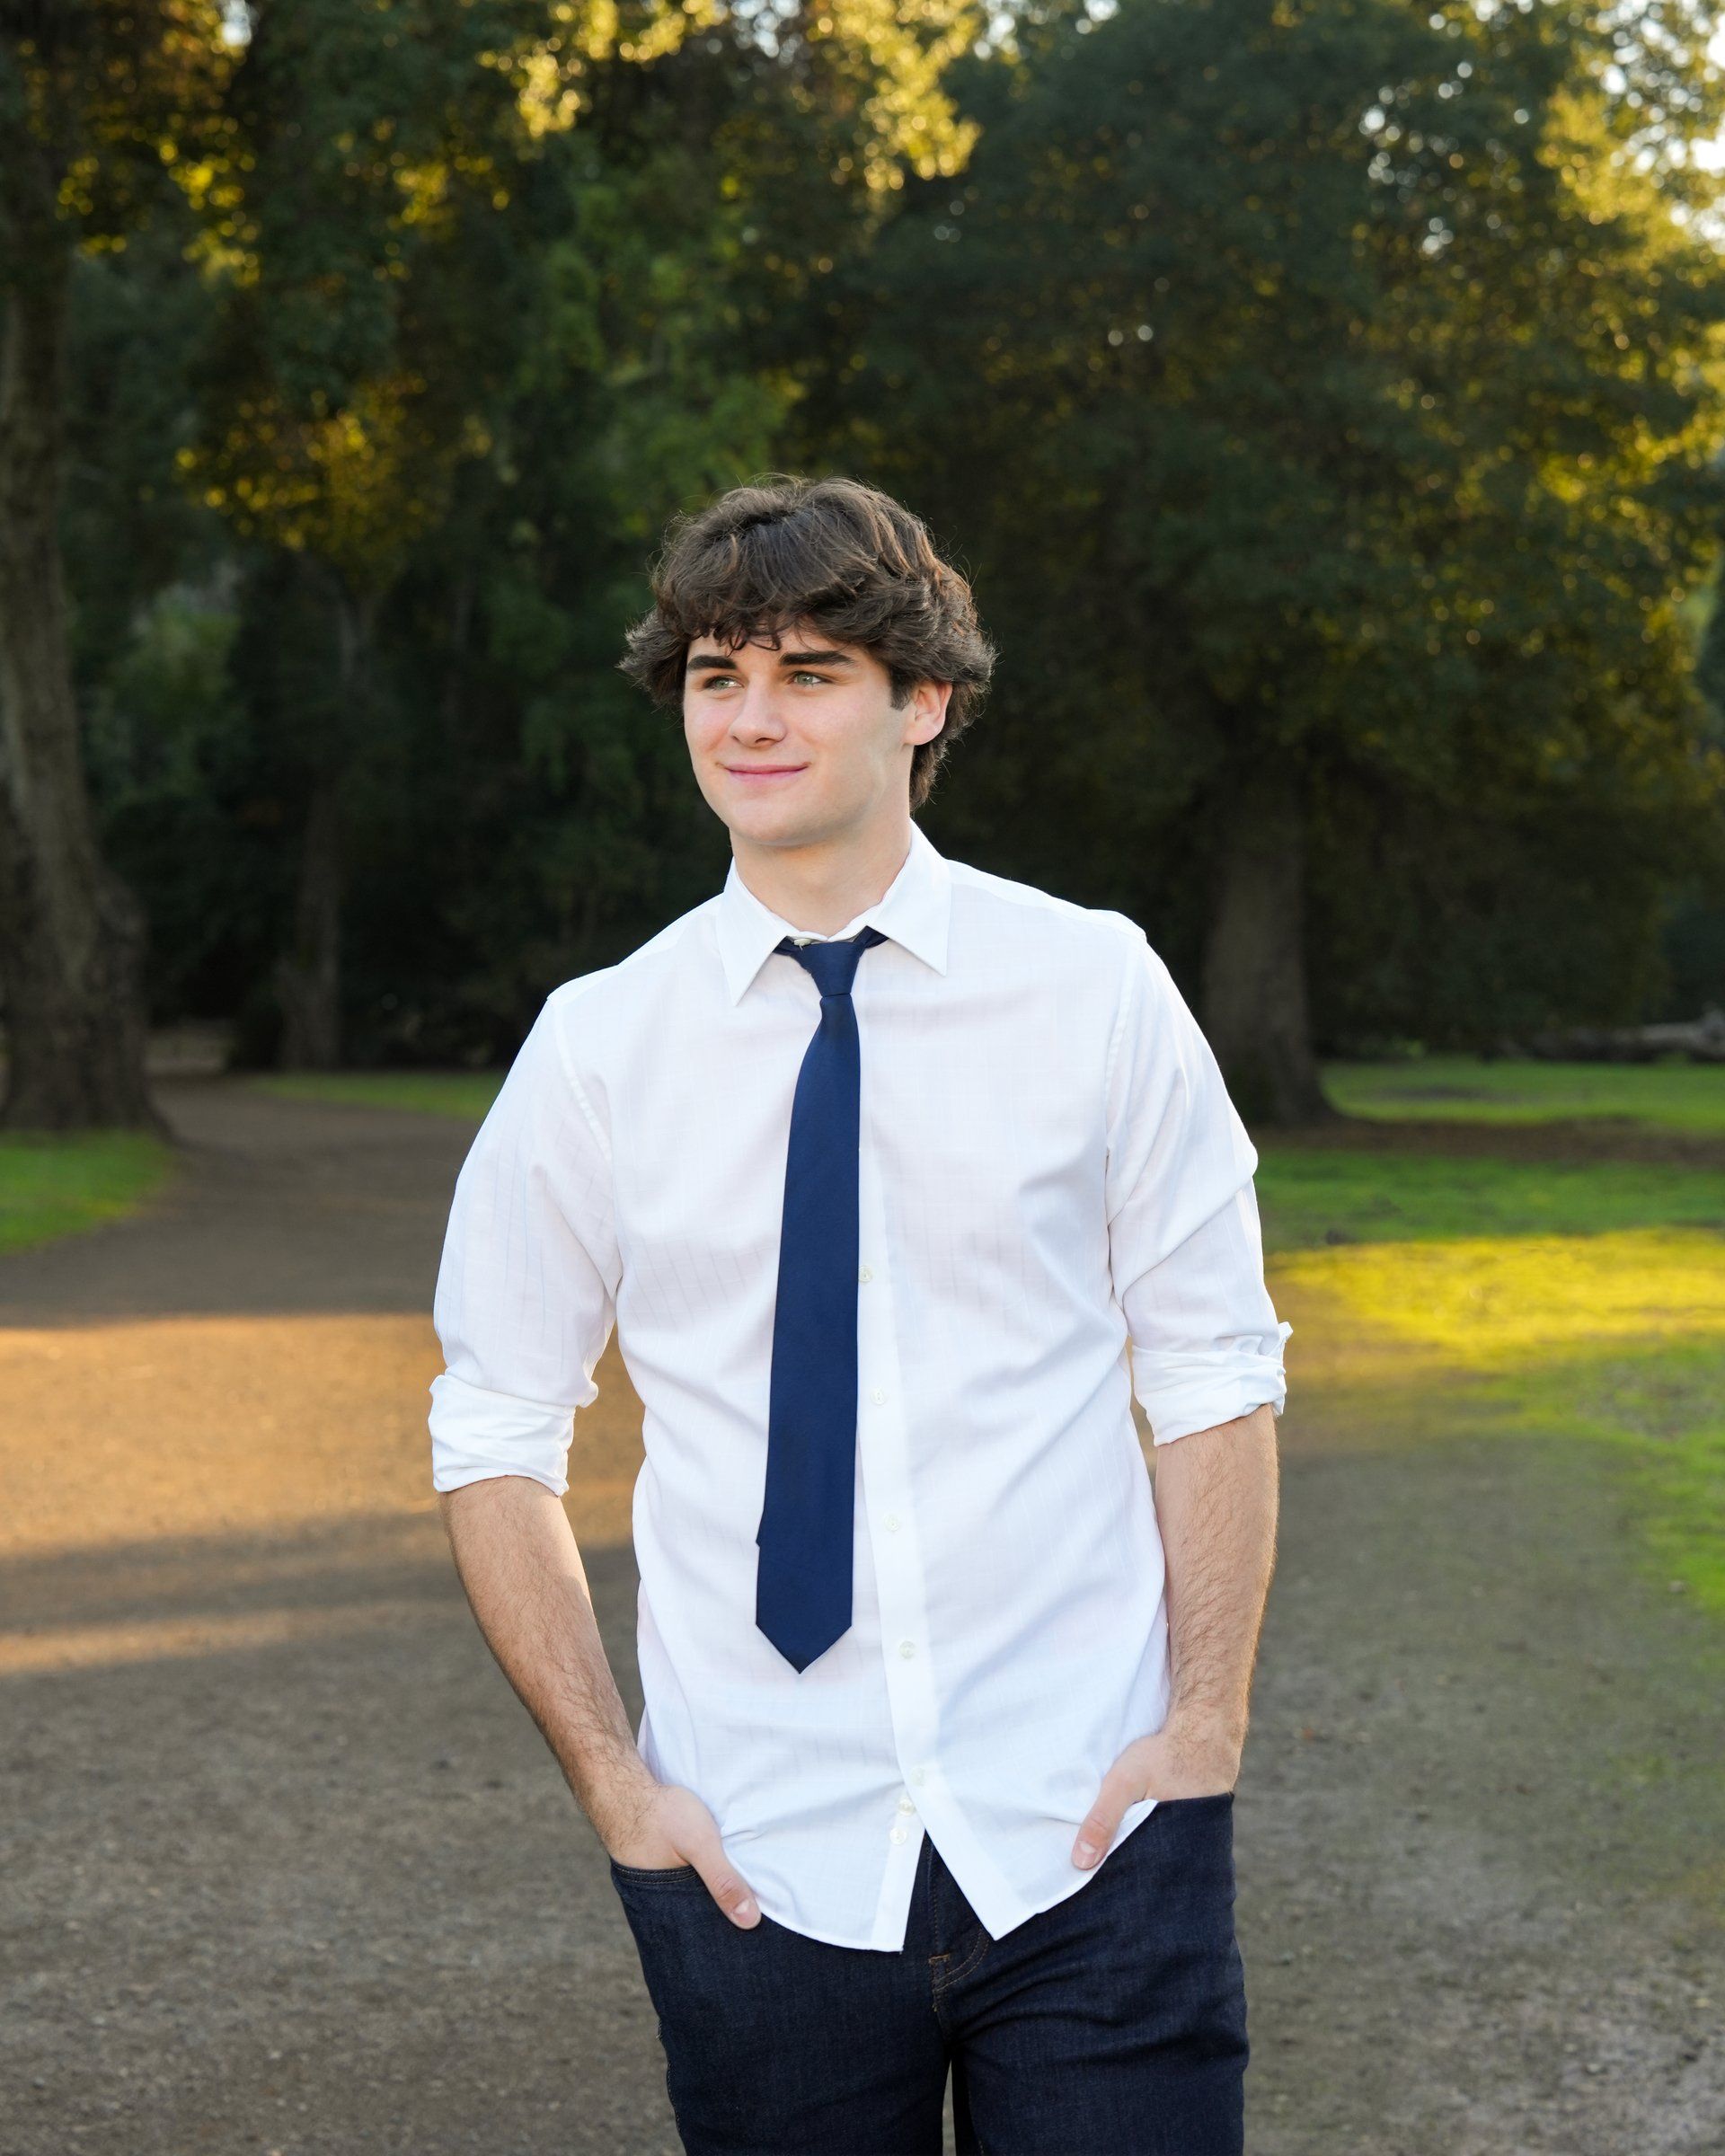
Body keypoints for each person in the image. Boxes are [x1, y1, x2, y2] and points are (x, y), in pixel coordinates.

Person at [427, 473, 1292, 2155]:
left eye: (807, 674)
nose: (749, 719)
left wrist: (1202, 1731)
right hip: (757, 1865)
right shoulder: (596, 1048)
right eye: (714, 675)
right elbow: (493, 1431)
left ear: (925, 701)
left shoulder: (1096, 987)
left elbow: (1209, 1372)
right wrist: (617, 1784)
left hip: (1097, 1838)